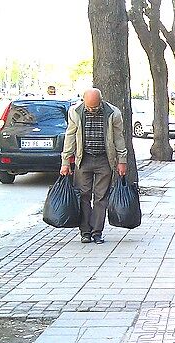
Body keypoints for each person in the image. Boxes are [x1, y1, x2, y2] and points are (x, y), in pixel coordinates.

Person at [60, 88, 128, 245]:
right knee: (83, 196)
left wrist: (122, 160)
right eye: (89, 107)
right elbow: (70, 136)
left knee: (101, 197)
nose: (91, 110)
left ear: (101, 101)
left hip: (105, 160)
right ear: (84, 102)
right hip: (84, 159)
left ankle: (97, 232)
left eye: (95, 107)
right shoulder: (75, 112)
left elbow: (118, 137)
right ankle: (85, 232)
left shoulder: (113, 113)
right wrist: (65, 162)